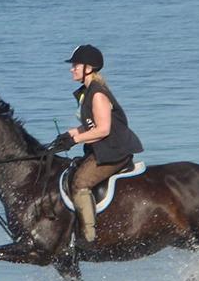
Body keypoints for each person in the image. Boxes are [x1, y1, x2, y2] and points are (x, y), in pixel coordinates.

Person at [50, 44, 144, 244]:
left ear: (89, 67)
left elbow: (103, 130)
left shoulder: (98, 94)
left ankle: (89, 236)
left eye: (76, 65)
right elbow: (89, 126)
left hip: (114, 151)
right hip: (103, 148)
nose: (72, 69)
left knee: (80, 182)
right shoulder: (87, 92)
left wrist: (74, 140)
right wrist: (67, 136)